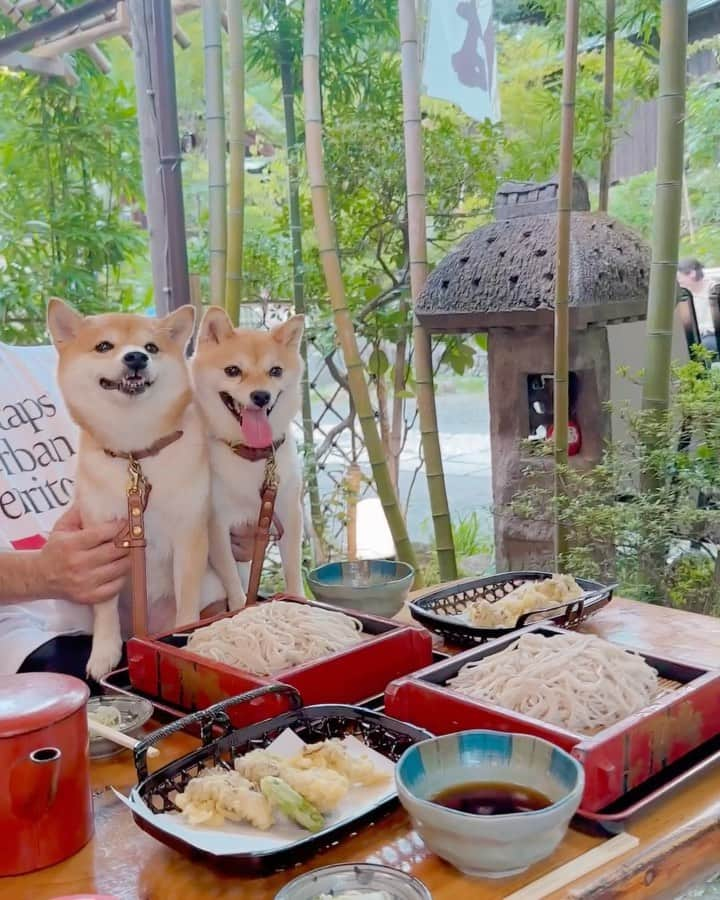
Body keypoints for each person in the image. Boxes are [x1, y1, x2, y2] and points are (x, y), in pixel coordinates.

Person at [0, 339, 256, 682]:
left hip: (175, 603)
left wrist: (228, 516)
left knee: (263, 669)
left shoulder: (73, 361)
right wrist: (39, 574)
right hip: (36, 642)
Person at [677, 258, 717, 352]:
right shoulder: (685, 296)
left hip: (711, 336)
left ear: (692, 274)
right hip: (696, 336)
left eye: (679, 278)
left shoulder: (713, 290)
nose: (678, 282)